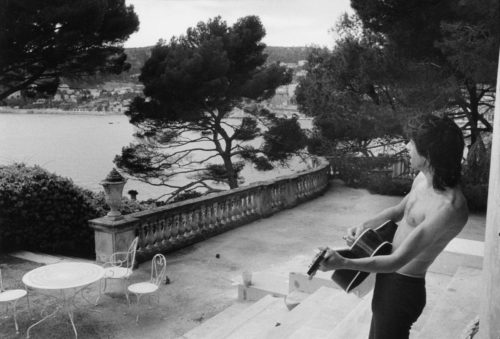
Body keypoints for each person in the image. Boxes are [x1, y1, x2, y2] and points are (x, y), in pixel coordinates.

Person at [318, 114, 469, 339]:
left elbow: (397, 261)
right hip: (389, 277)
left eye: (412, 143)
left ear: (428, 155)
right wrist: (363, 225)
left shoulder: (448, 207)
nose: (407, 146)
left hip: (403, 288)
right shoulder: (423, 178)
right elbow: (399, 211)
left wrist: (343, 262)